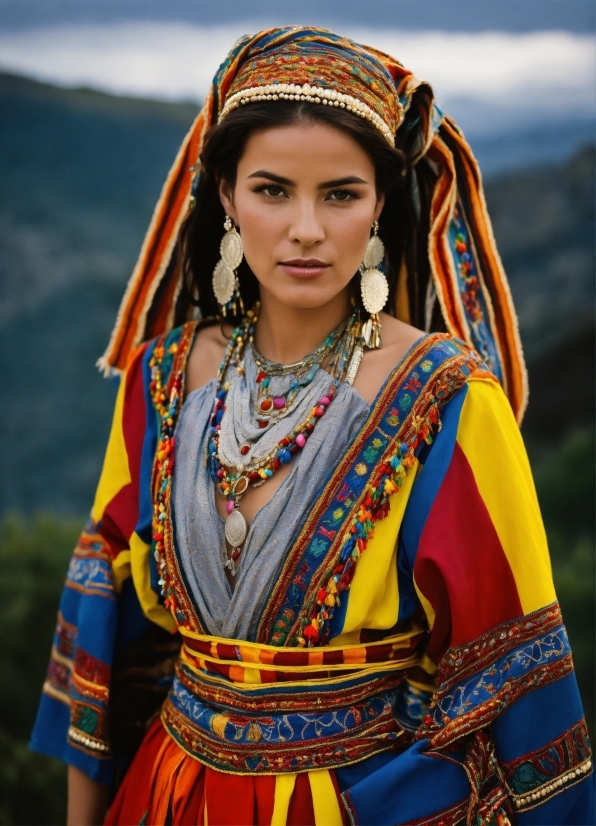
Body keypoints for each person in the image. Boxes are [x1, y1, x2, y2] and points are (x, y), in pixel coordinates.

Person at [31, 26, 593, 826]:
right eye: (272, 190)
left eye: (340, 194)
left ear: (380, 205)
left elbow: (521, 668)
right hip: (165, 797)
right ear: (225, 195)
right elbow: (101, 623)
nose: (306, 229)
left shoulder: (447, 397)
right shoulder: (160, 381)